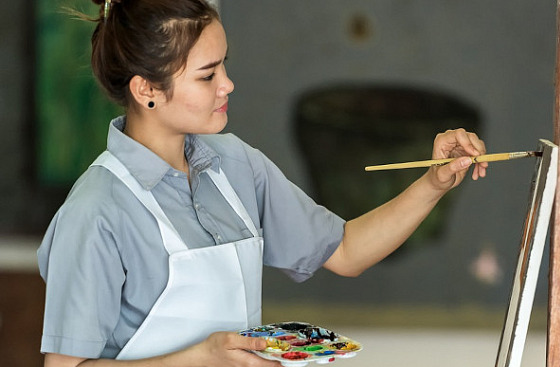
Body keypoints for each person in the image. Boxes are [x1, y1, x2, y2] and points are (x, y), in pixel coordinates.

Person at [37, 1, 488, 366]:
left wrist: (433, 183)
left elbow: (347, 251)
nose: (227, 84)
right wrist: (199, 358)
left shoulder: (236, 165)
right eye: (207, 75)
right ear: (145, 90)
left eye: (224, 67)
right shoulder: (96, 211)